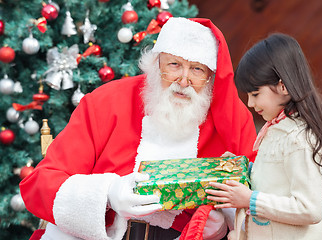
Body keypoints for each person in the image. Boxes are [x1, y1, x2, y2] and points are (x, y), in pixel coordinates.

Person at [20, 17, 257, 240]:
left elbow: (261, 196)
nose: (184, 81)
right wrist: (108, 194)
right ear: (156, 63)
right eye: (174, 65)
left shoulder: (233, 119)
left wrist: (224, 223)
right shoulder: (106, 101)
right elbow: (42, 183)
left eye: (197, 69)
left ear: (210, 77)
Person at [206, 33, 322, 240]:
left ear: (283, 86)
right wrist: (242, 169)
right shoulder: (278, 128)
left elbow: (309, 208)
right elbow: (277, 180)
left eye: (255, 94)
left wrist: (249, 199)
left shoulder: (299, 138)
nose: (250, 104)